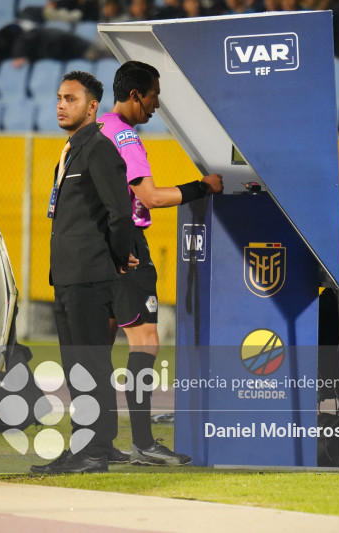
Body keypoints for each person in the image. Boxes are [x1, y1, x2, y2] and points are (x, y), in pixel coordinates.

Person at [98, 61, 223, 466]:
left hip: (98, 247)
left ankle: (96, 443)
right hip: (128, 243)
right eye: (153, 95)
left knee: (99, 345)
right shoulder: (126, 137)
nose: (156, 104)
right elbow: (150, 197)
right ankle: (144, 444)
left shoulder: (95, 129)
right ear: (136, 95)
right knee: (145, 341)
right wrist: (200, 187)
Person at [29, 71, 135, 474]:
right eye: (58, 97)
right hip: (70, 276)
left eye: (70, 99)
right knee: (83, 366)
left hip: (90, 277)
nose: (60, 104)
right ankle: (96, 446)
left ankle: (90, 451)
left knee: (87, 366)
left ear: (92, 107)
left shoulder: (99, 150)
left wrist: (120, 257)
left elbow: (120, 213)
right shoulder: (72, 150)